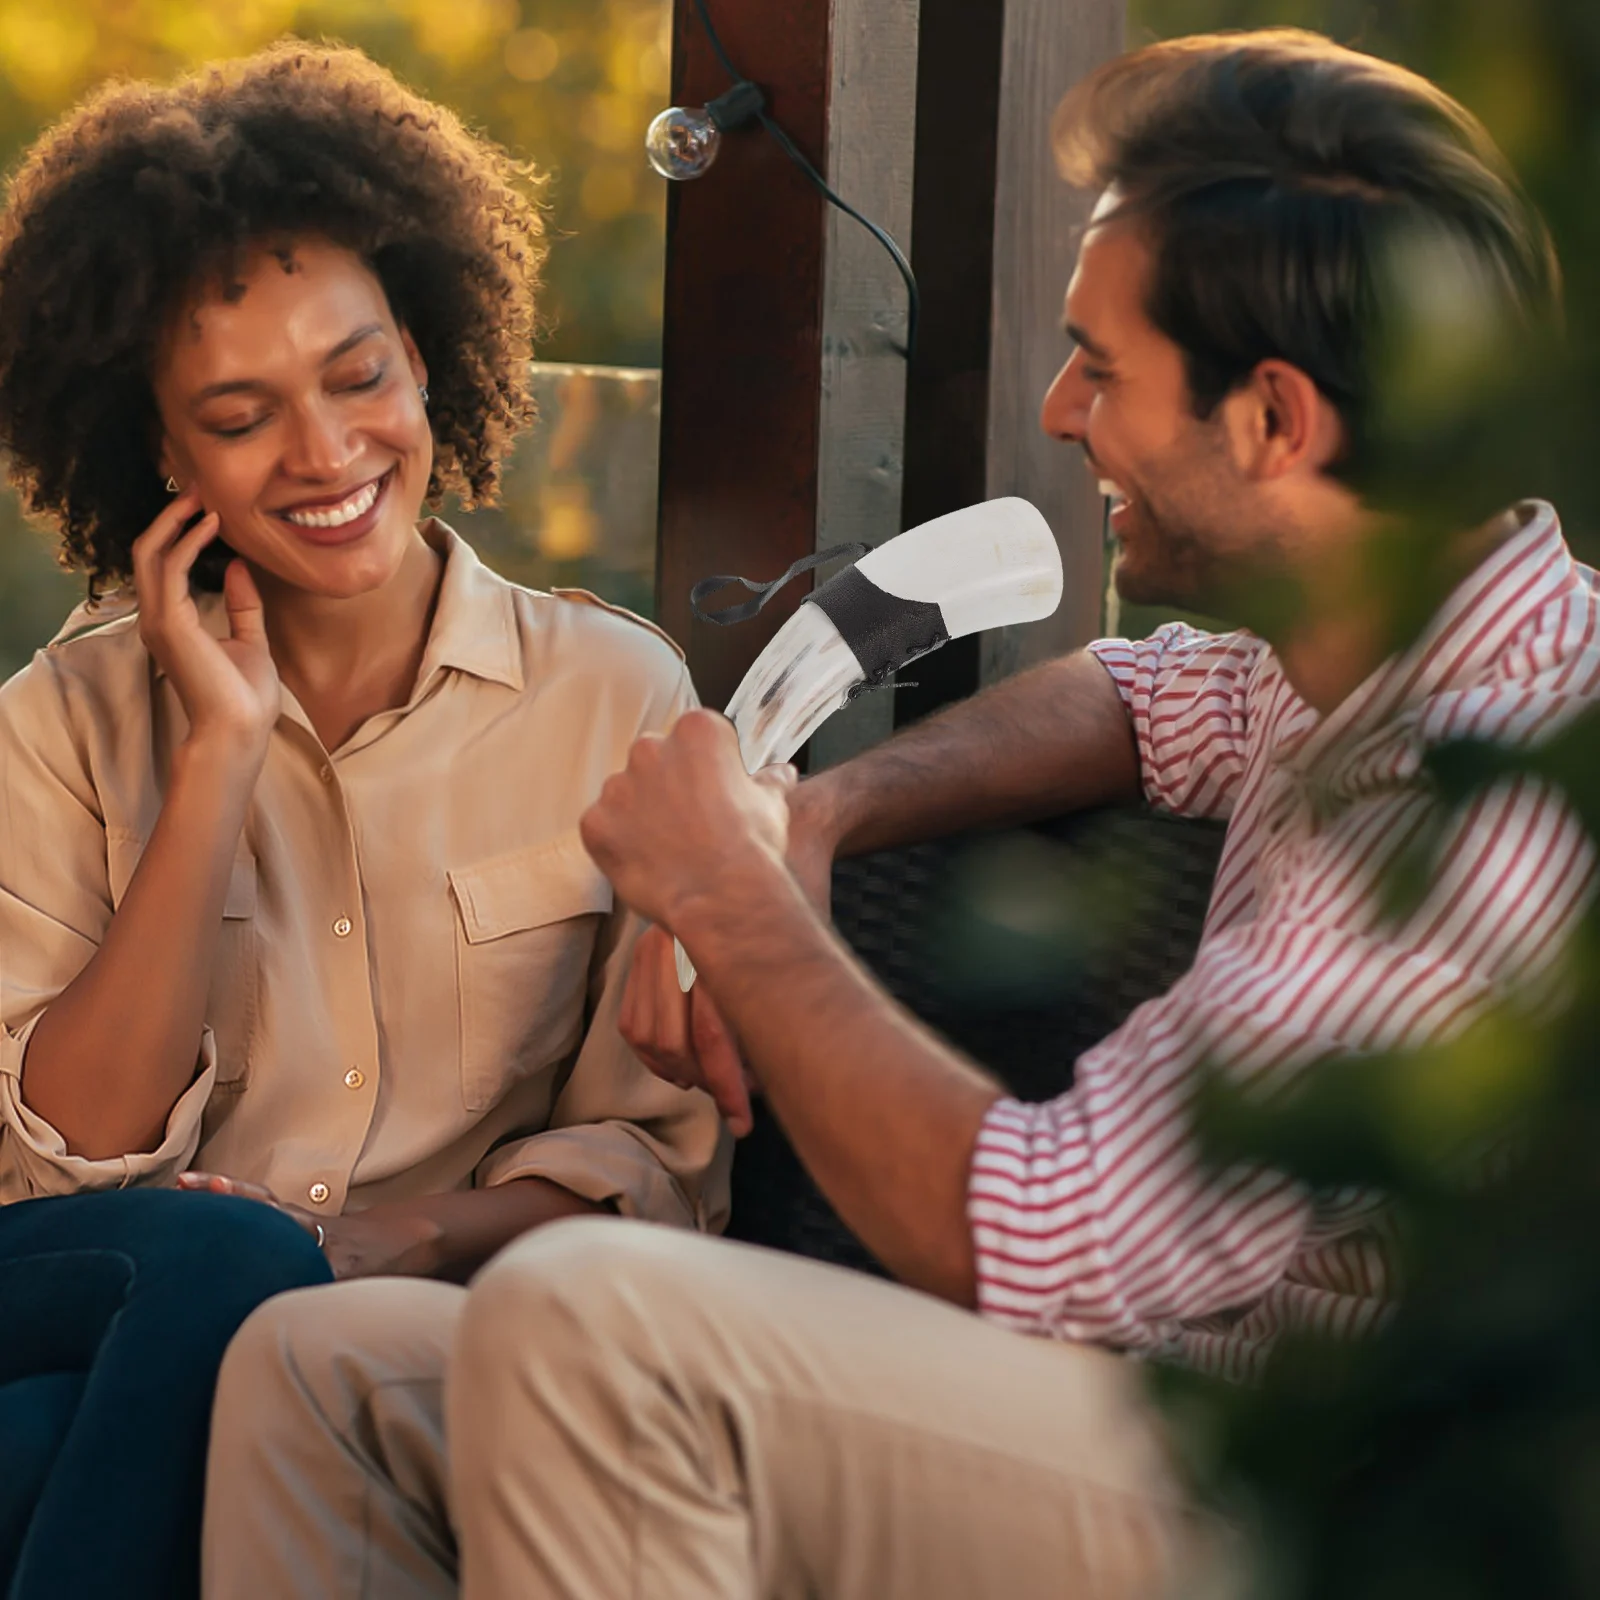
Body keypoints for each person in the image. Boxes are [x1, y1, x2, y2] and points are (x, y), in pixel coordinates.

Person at [203, 28, 1598, 1600]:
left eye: (1102, 366)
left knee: (596, 1324)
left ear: (1276, 421)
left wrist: (731, 892)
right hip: (1147, 1404)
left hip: (1321, 1498)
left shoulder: (1485, 797)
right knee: (324, 1368)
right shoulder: (1363, 640)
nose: (1061, 412)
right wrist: (824, 816)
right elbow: (1145, 699)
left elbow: (1043, 1234)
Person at [0, 44, 725, 1600]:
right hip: (88, 1277)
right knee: (223, 1268)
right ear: (162, 452)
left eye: (358, 376)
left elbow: (656, 1158)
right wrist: (217, 761)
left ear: (430, 352)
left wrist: (410, 1235)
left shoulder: (615, 700)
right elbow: (66, 1174)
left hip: (375, 1336)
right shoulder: (59, 725)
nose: (327, 456)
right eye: (241, 414)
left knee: (49, 1449)